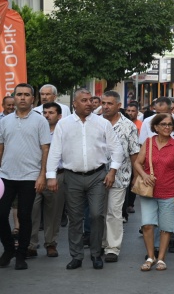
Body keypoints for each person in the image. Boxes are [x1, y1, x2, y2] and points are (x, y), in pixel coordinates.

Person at [46, 88, 124, 270]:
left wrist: (112, 171)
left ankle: (96, 254)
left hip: (97, 176)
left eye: (90, 100)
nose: (89, 103)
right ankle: (77, 256)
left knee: (97, 215)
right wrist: (51, 176)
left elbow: (116, 149)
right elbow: (55, 151)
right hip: (72, 176)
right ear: (74, 103)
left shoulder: (102, 123)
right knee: (74, 218)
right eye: (84, 100)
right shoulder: (64, 124)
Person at [0, 84, 51, 270]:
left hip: (30, 176)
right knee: (1, 213)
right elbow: (1, 147)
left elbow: (46, 149)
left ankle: (21, 254)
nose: (22, 98)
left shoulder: (40, 121)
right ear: (14, 97)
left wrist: (42, 175)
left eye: (26, 95)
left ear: (33, 99)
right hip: (6, 175)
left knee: (24, 215)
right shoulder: (4, 121)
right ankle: (8, 249)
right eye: (19, 94)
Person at [134, 113, 174, 272]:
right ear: (155, 127)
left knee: (166, 227)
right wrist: (144, 175)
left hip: (169, 191)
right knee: (147, 225)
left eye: (170, 124)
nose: (167, 127)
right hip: (149, 192)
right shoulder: (148, 143)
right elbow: (137, 162)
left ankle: (161, 258)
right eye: (163, 124)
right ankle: (150, 257)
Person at [100, 91, 140, 263]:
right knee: (97, 213)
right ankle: (100, 243)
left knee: (114, 213)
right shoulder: (95, 122)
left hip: (120, 176)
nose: (105, 106)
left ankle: (112, 248)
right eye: (103, 103)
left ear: (118, 106)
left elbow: (134, 153)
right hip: (96, 175)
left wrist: (135, 177)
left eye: (109, 103)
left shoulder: (128, 126)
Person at [28, 102, 65, 258]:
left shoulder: (63, 131)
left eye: (51, 112)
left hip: (58, 174)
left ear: (59, 116)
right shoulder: (36, 129)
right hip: (34, 174)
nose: (47, 115)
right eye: (45, 112)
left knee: (53, 211)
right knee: (31, 210)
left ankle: (51, 243)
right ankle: (31, 244)